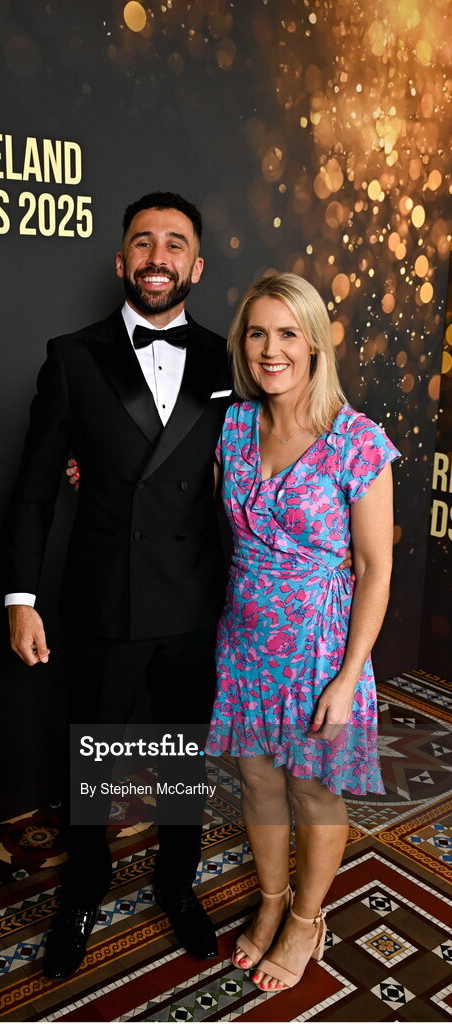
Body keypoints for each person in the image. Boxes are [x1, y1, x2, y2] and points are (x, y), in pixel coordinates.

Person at [5, 192, 235, 980]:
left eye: (174, 244)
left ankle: (176, 883)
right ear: (120, 260)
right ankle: (83, 890)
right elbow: (35, 488)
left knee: (178, 757)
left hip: (194, 602)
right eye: (143, 242)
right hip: (102, 600)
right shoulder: (71, 355)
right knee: (91, 760)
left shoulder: (230, 360)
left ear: (196, 266)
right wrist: (19, 596)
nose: (158, 257)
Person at [206, 271, 399, 991]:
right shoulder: (231, 425)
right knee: (255, 780)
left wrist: (348, 677)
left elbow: (375, 569)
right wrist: (87, 470)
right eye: (256, 332)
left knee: (311, 788)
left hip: (320, 648)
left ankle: (309, 919)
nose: (269, 348)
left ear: (315, 343)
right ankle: (270, 901)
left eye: (287, 332)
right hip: (243, 635)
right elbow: (159, 486)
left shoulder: (357, 441)